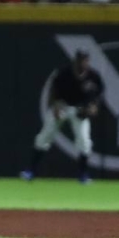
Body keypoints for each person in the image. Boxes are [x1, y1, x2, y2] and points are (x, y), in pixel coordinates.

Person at [22, 49, 104, 184]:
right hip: (63, 107)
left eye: (85, 60)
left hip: (80, 110)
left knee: (84, 141)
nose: (83, 62)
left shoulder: (93, 76)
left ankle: (83, 175)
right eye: (81, 59)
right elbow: (53, 90)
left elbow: (98, 95)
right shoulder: (64, 73)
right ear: (75, 60)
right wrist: (54, 105)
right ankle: (30, 171)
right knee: (44, 136)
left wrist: (94, 107)